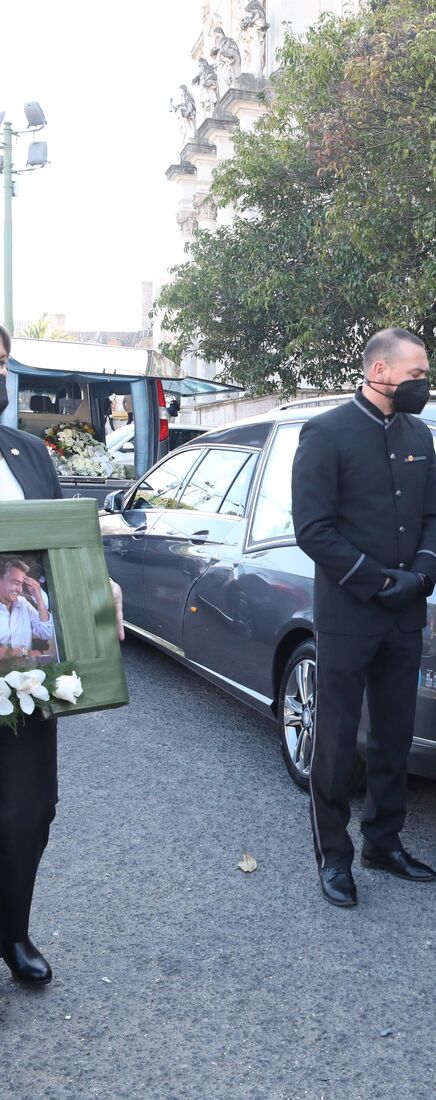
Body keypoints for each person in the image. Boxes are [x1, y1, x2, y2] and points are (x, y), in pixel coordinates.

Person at [291, 328, 436, 908]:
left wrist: (421, 575)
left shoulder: (419, 433)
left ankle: (384, 842)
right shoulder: (326, 432)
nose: (423, 384)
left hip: (405, 613)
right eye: (416, 374)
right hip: (349, 615)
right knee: (334, 743)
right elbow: (313, 530)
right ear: (379, 371)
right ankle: (335, 857)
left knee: (393, 737)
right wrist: (378, 581)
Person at [0, 325, 124, 986]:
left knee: (31, 808)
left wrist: (97, 582)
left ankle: (13, 931)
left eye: (0, 362)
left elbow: (64, 546)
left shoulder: (27, 453)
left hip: (26, 670)